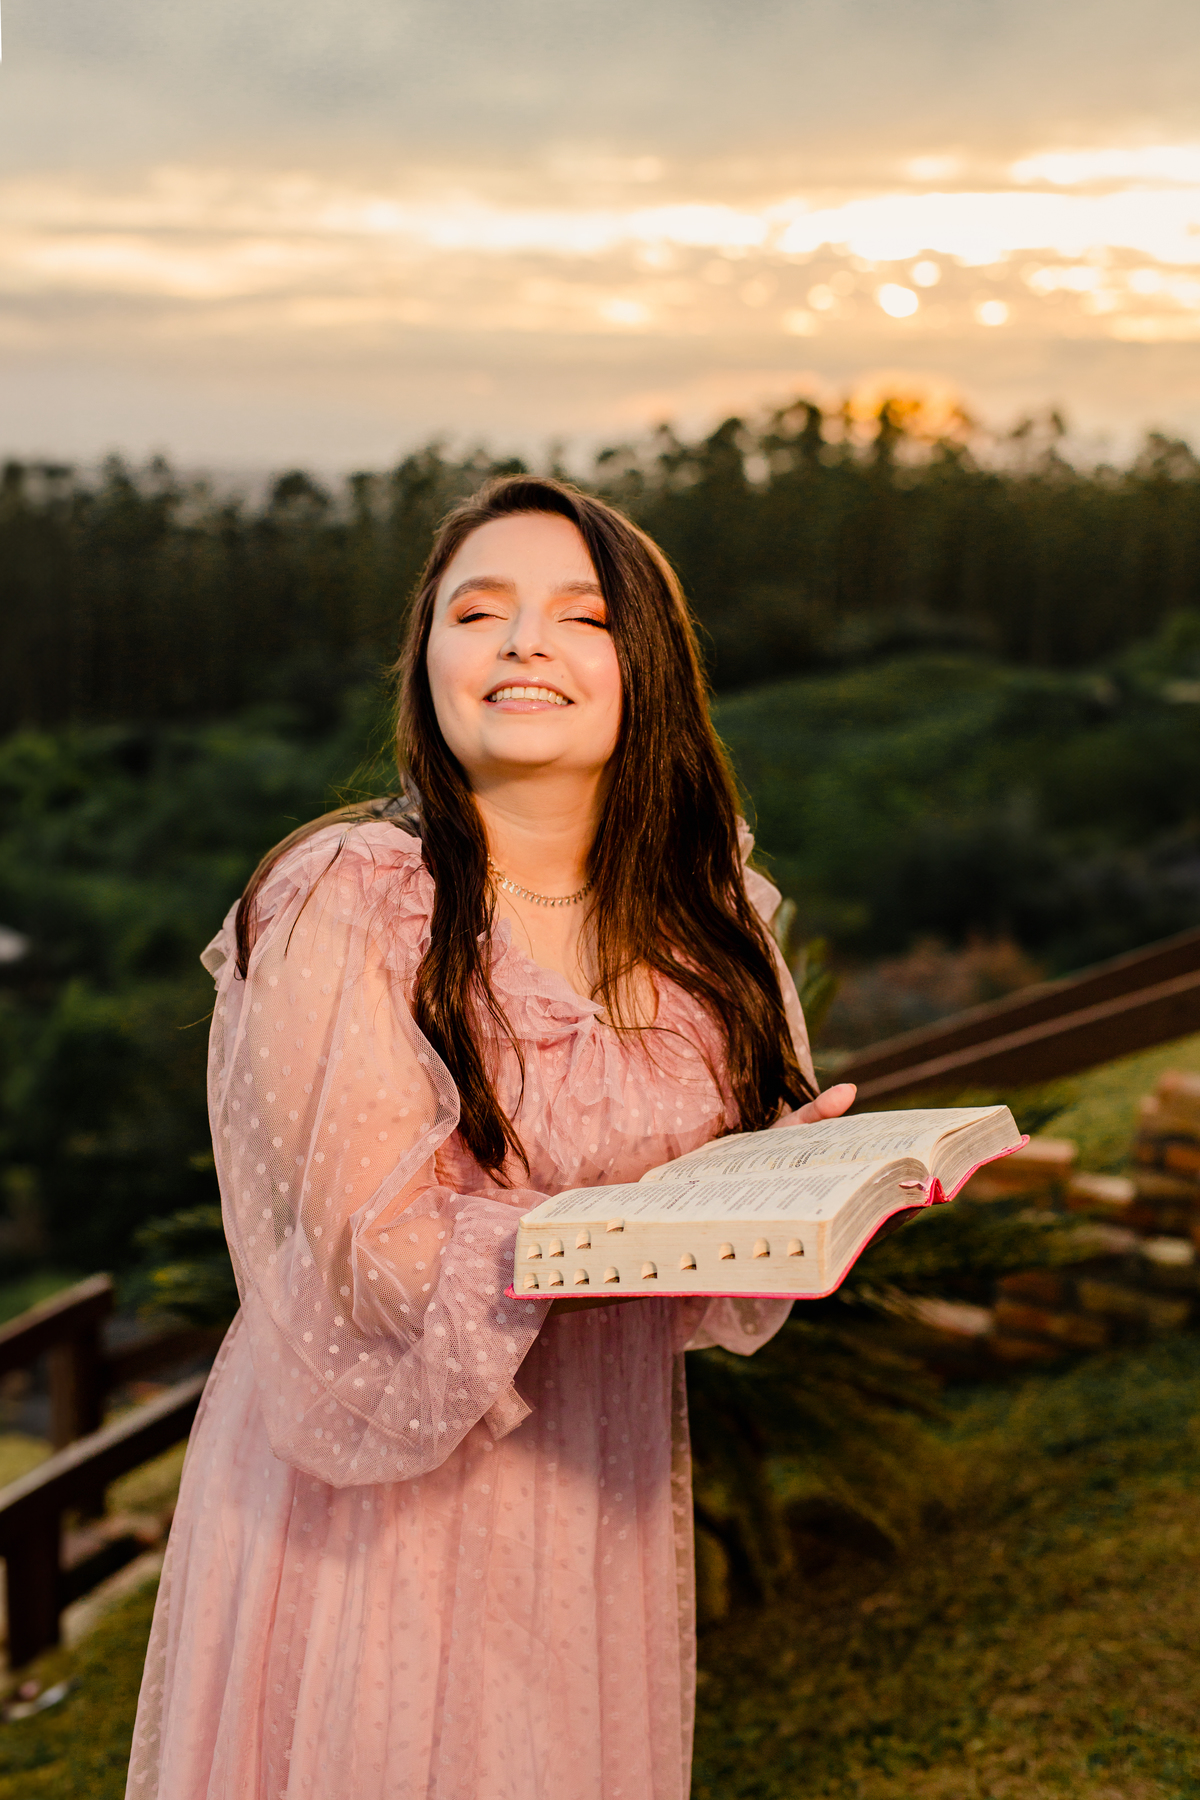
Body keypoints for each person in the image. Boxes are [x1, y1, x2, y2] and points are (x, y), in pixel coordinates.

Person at [126, 475, 855, 1800]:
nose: (524, 640)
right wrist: (660, 1219)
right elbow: (380, 1262)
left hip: (596, 1490)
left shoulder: (708, 924)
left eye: (580, 615)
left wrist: (798, 1182)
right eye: (480, 610)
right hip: (375, 1503)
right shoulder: (352, 902)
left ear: (648, 672)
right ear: (427, 667)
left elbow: (714, 1264)